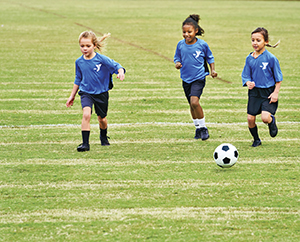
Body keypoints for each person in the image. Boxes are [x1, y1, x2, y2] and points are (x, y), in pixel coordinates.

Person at [66, 31, 125, 152]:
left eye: (88, 46)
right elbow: (78, 78)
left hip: (101, 93)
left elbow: (117, 66)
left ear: (94, 45)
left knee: (101, 118)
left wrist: (120, 72)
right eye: (82, 46)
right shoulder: (79, 62)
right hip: (86, 92)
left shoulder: (101, 59)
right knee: (86, 114)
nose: (85, 48)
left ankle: (103, 136)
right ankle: (85, 144)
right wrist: (72, 96)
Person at [174, 14, 217, 140]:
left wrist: (213, 70)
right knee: (191, 105)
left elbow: (210, 58)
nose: (187, 35)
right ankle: (197, 128)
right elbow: (177, 57)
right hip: (185, 78)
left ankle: (203, 128)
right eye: (184, 32)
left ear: (196, 31)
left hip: (199, 77)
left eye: (189, 32)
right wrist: (177, 63)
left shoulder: (202, 45)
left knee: (195, 102)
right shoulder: (180, 45)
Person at [242, 27, 282, 147]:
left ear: (266, 41)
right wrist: (248, 82)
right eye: (253, 40)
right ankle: (256, 140)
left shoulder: (271, 58)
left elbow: (278, 79)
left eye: (258, 40)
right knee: (250, 119)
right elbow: (246, 75)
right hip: (254, 92)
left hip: (268, 92)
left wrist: (275, 93)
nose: (255, 43)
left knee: (265, 118)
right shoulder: (249, 58)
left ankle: (271, 121)